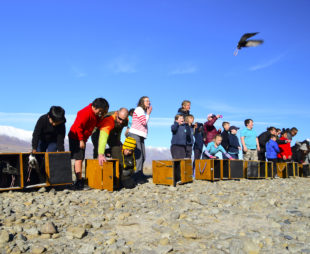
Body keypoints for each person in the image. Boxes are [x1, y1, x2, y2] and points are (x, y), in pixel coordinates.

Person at [68, 98, 109, 190]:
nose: (101, 112)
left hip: (83, 138)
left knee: (81, 158)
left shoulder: (95, 114)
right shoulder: (84, 113)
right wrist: (81, 140)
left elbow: (96, 124)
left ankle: (79, 179)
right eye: (101, 111)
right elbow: (78, 126)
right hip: (76, 137)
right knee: (78, 159)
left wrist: (102, 118)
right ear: (95, 107)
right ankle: (78, 182)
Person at [128, 96, 152, 182]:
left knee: (143, 156)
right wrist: (148, 113)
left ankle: (140, 174)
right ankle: (137, 176)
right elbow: (144, 122)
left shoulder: (142, 111)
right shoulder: (139, 109)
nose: (149, 102)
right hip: (135, 134)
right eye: (147, 101)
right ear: (142, 102)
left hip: (140, 135)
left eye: (149, 101)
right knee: (139, 156)